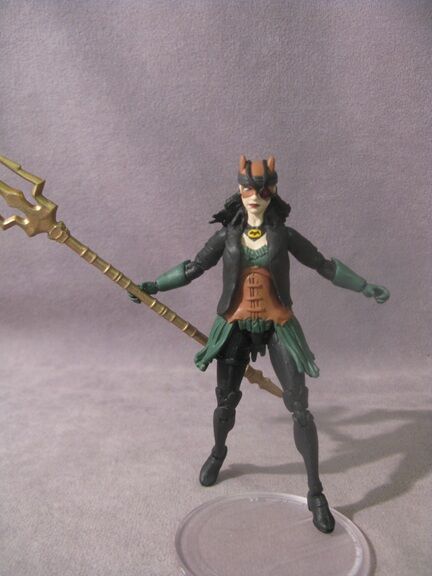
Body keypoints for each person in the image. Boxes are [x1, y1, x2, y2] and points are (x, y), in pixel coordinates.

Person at [130, 155, 390, 533]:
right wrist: (153, 285)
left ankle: (316, 492)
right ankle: (219, 451)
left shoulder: (284, 236)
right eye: (248, 189)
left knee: (300, 407)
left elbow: (323, 265)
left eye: (263, 190)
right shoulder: (227, 236)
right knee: (225, 402)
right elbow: (193, 268)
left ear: (273, 191)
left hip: (278, 323)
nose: (255, 196)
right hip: (235, 325)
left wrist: (364, 286)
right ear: (239, 190)